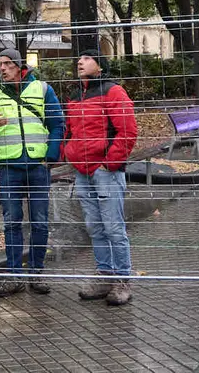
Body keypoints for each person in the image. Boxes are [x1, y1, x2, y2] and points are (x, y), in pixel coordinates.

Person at [0, 48, 65, 297]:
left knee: (40, 221)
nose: (2, 69)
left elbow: (57, 124)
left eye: (7, 64)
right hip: (9, 168)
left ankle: (36, 272)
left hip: (37, 166)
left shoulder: (43, 90)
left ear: (19, 66)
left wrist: (51, 156)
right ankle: (14, 276)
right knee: (11, 222)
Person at [63, 49, 138, 306]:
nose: (80, 62)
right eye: (79, 58)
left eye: (87, 58)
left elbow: (127, 131)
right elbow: (69, 129)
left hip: (105, 171)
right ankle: (105, 274)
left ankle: (122, 279)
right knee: (94, 227)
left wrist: (110, 163)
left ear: (100, 66)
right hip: (82, 171)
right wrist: (69, 153)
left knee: (113, 227)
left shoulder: (113, 91)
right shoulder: (75, 95)